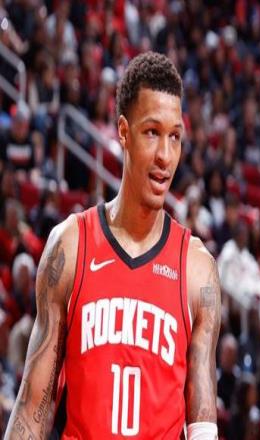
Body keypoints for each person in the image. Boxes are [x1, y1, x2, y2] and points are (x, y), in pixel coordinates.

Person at [5, 52, 221, 439]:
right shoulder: (71, 246)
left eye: (175, 137)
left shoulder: (196, 269)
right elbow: (33, 408)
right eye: (151, 132)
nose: (165, 156)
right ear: (123, 131)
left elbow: (203, 425)